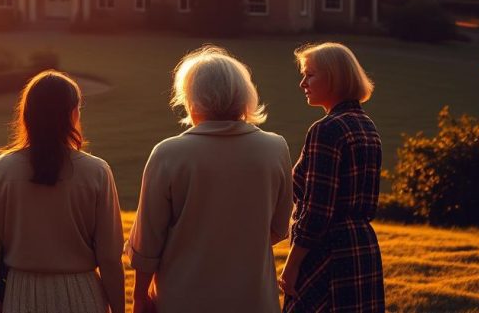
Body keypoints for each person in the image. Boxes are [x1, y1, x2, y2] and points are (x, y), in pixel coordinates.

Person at [127, 45, 293, 313]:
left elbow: (147, 243)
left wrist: (139, 296)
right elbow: (279, 227)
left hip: (183, 299)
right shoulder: (275, 148)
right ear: (244, 94)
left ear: (191, 98)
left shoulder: (168, 153)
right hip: (253, 299)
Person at [0, 70, 125, 313]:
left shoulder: (1, 170)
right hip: (82, 296)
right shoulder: (97, 171)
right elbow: (109, 258)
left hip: (21, 295)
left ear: (27, 115)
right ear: (73, 114)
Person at [279, 42, 384, 312]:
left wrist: (292, 266)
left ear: (334, 77)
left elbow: (317, 211)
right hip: (362, 247)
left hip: (328, 253)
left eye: (310, 74)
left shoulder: (326, 130)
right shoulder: (367, 125)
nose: (303, 83)